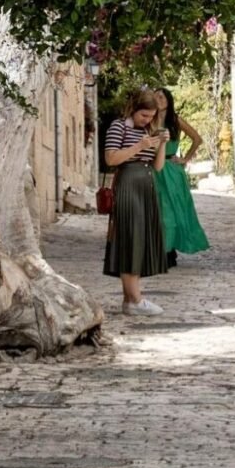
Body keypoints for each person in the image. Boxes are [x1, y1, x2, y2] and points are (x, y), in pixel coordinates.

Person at [101, 90, 170, 315]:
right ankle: (136, 300)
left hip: (146, 187)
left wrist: (161, 144)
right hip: (128, 187)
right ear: (133, 109)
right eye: (143, 115)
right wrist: (138, 147)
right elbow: (111, 159)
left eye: (151, 116)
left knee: (138, 239)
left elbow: (158, 167)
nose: (147, 120)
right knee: (130, 239)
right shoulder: (118, 127)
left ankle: (129, 300)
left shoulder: (149, 130)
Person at [155, 89, 211, 263]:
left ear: (168, 100)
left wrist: (185, 159)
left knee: (172, 211)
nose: (157, 99)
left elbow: (197, 138)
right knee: (159, 211)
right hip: (154, 169)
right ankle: (165, 249)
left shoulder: (175, 120)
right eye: (155, 96)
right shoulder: (149, 118)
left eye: (161, 96)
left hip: (171, 170)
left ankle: (168, 251)